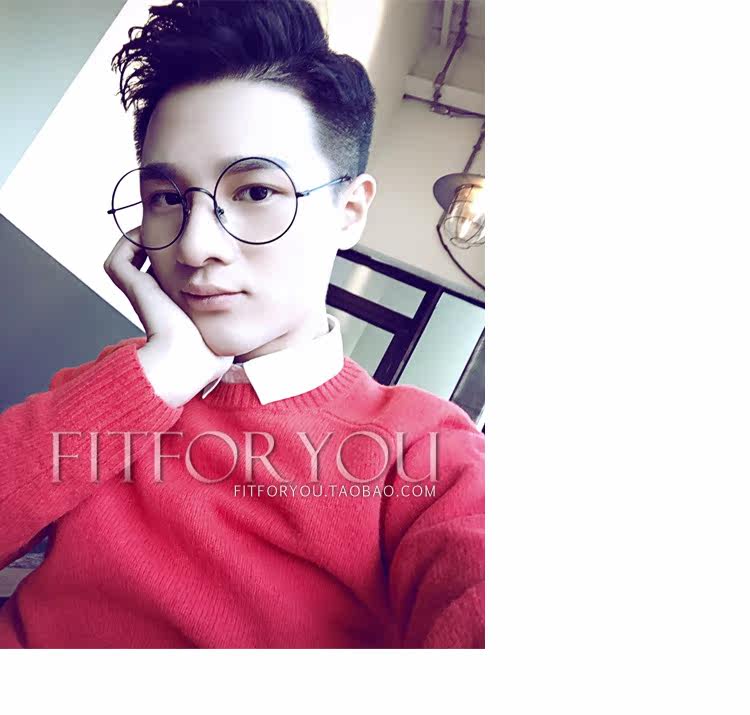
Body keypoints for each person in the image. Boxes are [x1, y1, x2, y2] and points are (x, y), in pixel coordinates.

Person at [0, 0, 485, 648]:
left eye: (256, 192)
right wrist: (155, 379)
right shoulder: (122, 384)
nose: (195, 245)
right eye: (166, 198)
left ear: (348, 210)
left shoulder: (426, 454)